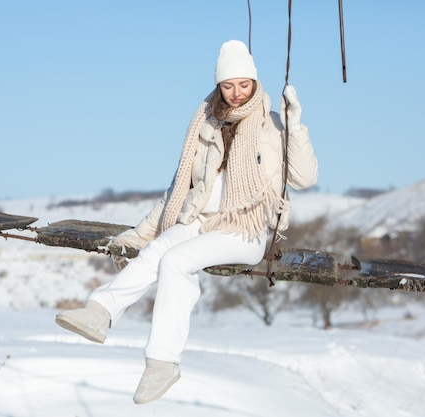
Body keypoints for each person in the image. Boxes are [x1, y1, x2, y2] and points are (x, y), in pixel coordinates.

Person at [55, 39, 318, 404]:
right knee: (158, 249)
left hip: (246, 228)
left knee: (176, 262)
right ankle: (99, 313)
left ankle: (162, 362)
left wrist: (295, 125)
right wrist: (142, 233)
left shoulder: (272, 125)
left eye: (244, 85)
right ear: (218, 85)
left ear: (255, 83)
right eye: (228, 85)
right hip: (200, 220)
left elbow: (304, 178)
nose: (236, 93)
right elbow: (180, 188)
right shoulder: (207, 124)